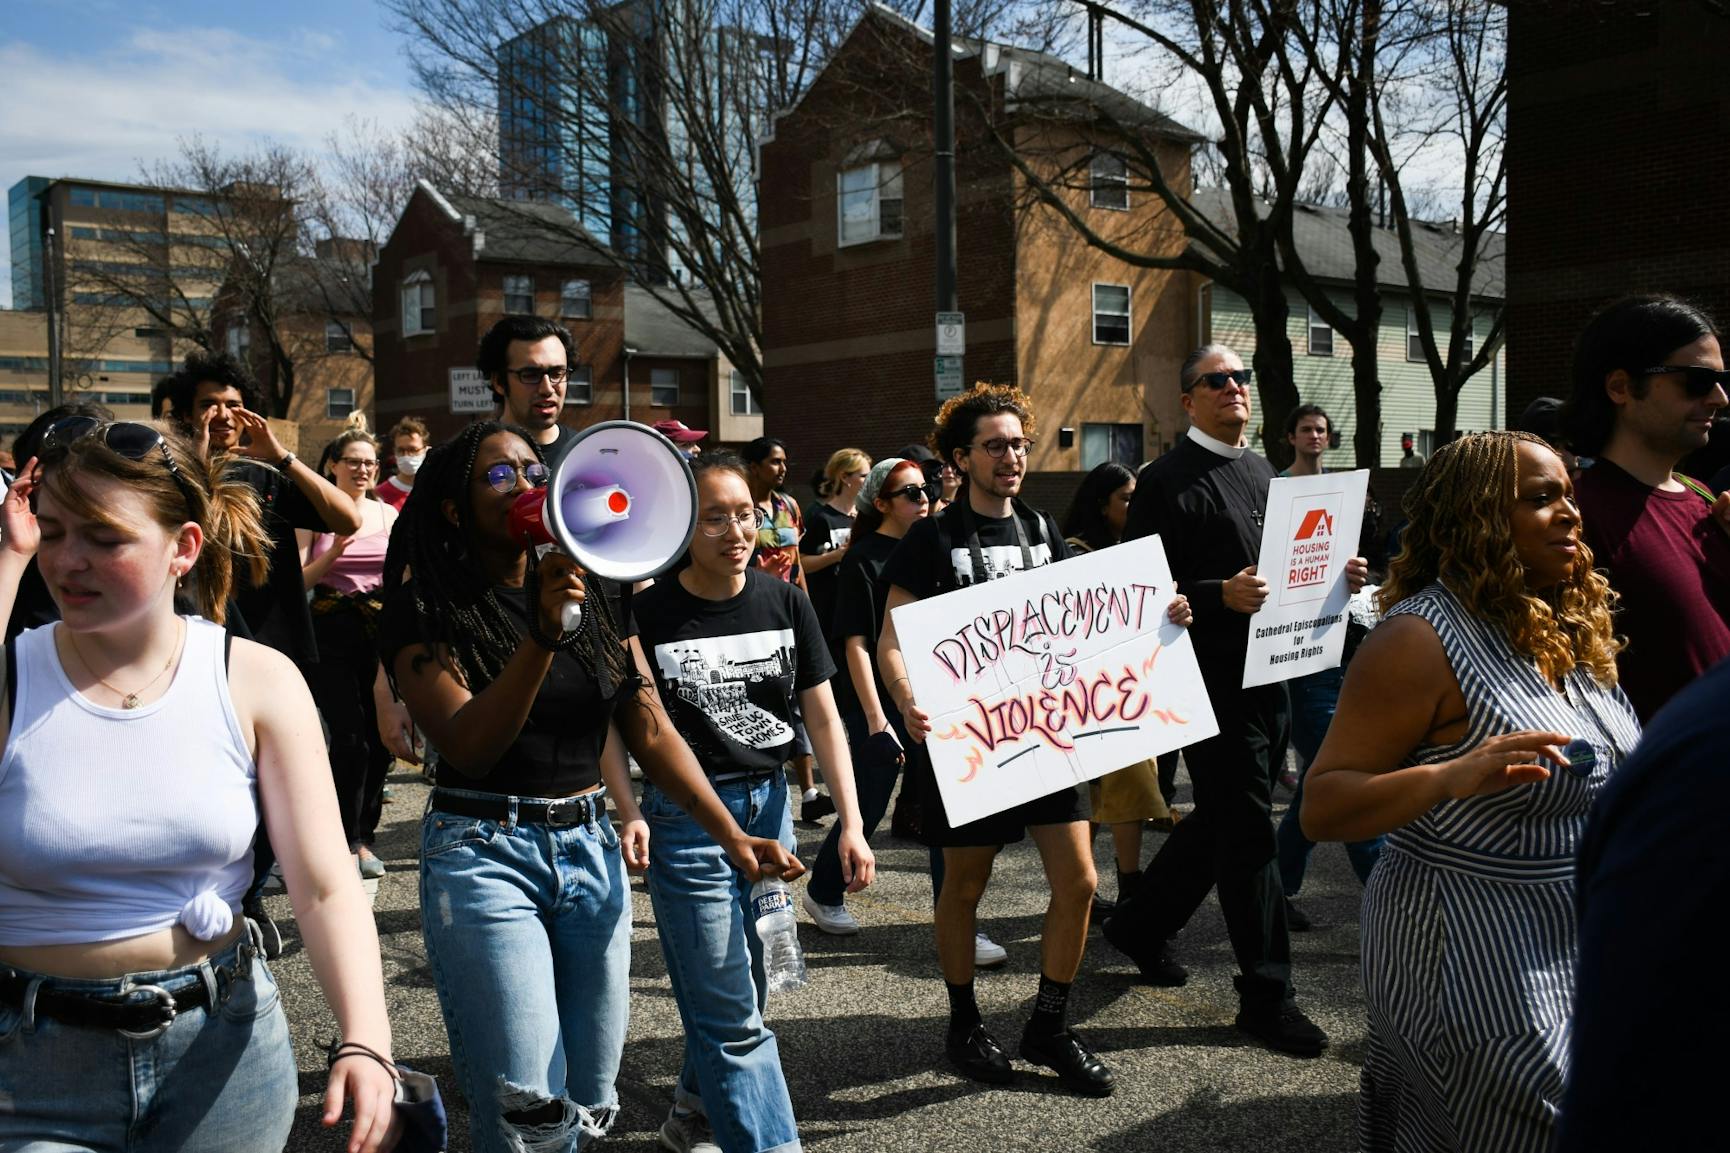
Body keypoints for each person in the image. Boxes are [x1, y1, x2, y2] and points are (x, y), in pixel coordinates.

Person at [380, 421, 802, 1153]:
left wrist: (729, 835)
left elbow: (650, 726)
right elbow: (472, 745)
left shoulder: (598, 586)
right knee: (529, 1112)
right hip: (484, 853)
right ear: (453, 508)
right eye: (499, 475)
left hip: (589, 848)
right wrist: (544, 635)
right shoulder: (429, 610)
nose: (525, 483)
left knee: (591, 1096)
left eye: (533, 469)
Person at [0, 418, 397, 1152]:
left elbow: (323, 883)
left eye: (104, 537)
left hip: (223, 1058)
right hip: (30, 1067)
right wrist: (8, 562)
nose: (68, 561)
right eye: (52, 532)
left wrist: (366, 1037)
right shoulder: (13, 671)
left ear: (183, 547)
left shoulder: (257, 678)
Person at [1301, 431, 1640, 1150]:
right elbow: (1323, 803)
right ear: (1477, 515)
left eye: (1568, 497)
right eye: (1541, 498)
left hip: (1572, 940)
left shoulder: (1562, 625)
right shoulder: (1419, 638)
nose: (1570, 514)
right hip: (1466, 951)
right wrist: (1448, 775)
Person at [880, 384, 1190, 1096]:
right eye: (995, 445)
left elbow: (1090, 627)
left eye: (1019, 443)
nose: (1012, 456)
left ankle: (1047, 1024)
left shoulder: (1044, 531)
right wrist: (906, 698)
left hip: (1046, 736)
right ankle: (964, 1021)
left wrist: (1166, 613)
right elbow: (892, 640)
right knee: (965, 887)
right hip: (971, 741)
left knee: (1080, 882)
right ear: (960, 458)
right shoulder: (933, 537)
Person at [1101, 346, 1364, 1058]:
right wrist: (1220, 593)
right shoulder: (1164, 482)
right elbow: (1135, 592)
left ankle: (1138, 925)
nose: (1234, 388)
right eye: (1216, 380)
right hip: (1206, 681)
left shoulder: (1262, 473)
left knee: (1220, 817)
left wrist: (1337, 574)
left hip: (1272, 672)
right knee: (1249, 833)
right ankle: (1267, 993)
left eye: (1241, 377)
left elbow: (1282, 568)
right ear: (1188, 400)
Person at [633, 452, 873, 1153]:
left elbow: (823, 716)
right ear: (682, 524)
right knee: (731, 1008)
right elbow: (623, 727)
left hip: (770, 812)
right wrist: (629, 812)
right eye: (714, 516)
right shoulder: (647, 613)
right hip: (687, 820)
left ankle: (692, 1114)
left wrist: (853, 823)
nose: (735, 529)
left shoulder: (785, 598)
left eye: (744, 513)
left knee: (751, 984)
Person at [1560, 655, 1730, 1152]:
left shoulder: (1584, 640)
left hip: (1568, 947)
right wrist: (1449, 779)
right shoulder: (1709, 748)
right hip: (1487, 945)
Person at [802, 458, 969, 949]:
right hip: (872, 697)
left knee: (945, 803)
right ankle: (824, 889)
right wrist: (877, 719)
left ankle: (954, 918)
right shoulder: (865, 557)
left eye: (927, 491)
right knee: (870, 799)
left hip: (933, 695)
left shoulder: (940, 547)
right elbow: (856, 642)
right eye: (910, 493)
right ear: (882, 504)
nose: (924, 500)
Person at [1563, 294, 1730, 722]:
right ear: (1620, 386)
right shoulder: (1573, 518)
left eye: (1722, 379)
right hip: (1668, 778)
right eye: (1696, 380)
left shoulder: (1708, 504)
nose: (1720, 398)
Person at [1274, 403, 1385, 928]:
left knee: (1320, 777)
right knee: (1342, 774)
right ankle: (1389, 894)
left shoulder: (1343, 496)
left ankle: (1275, 886)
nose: (1314, 436)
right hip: (1300, 649)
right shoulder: (1277, 492)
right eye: (1306, 429)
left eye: (1321, 429)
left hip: (1347, 642)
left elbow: (1346, 566)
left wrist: (1356, 573)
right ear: (1290, 437)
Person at [1059, 461, 1174, 921]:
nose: (1134, 505)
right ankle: (1095, 885)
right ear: (1101, 502)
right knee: (1102, 795)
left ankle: (1128, 883)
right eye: (1126, 497)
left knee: (1131, 791)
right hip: (1087, 695)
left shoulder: (1139, 549)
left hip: (1129, 690)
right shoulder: (1074, 551)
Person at [298, 419, 412, 880]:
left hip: (379, 630)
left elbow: (405, 577)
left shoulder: (388, 515)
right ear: (333, 465)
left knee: (381, 741)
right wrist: (334, 551)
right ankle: (342, 839)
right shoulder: (312, 511)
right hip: (330, 627)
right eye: (353, 462)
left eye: (370, 462)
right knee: (348, 739)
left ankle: (363, 835)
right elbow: (297, 580)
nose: (363, 469)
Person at [740, 436, 829, 823]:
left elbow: (795, 562)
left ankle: (809, 790)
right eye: (775, 461)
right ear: (755, 466)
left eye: (784, 461)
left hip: (789, 611)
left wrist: (806, 607)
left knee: (797, 698)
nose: (783, 468)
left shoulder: (789, 506)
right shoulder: (740, 508)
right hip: (752, 617)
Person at [482, 315, 581, 467]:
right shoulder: (471, 459)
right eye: (530, 375)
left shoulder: (585, 453)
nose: (547, 389)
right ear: (499, 382)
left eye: (557, 374)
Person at [799, 447, 870, 633]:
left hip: (859, 606)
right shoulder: (820, 518)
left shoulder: (867, 517)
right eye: (863, 476)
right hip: (828, 611)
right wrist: (836, 556)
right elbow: (801, 563)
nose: (869, 481)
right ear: (845, 477)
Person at [377, 415, 429, 513]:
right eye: (401, 450)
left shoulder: (437, 490)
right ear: (394, 452)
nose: (406, 455)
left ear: (426, 451)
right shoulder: (380, 494)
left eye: (413, 450)